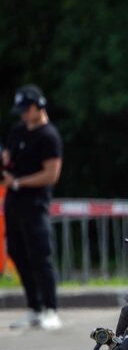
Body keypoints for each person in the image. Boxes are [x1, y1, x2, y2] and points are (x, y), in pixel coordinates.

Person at [2, 84, 63, 330]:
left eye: (26, 109)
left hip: (35, 203)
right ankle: (34, 307)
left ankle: (51, 309)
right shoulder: (17, 131)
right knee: (17, 252)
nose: (23, 114)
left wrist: (17, 182)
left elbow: (51, 175)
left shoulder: (49, 136)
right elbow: (8, 157)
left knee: (40, 255)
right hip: (14, 203)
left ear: (39, 106)